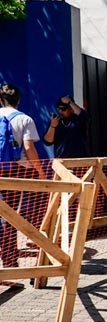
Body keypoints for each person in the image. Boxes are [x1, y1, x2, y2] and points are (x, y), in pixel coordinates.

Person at [0, 83, 43, 269]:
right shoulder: (25, 119)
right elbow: (28, 147)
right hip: (16, 171)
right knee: (10, 216)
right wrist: (40, 170)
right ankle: (10, 262)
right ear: (18, 100)